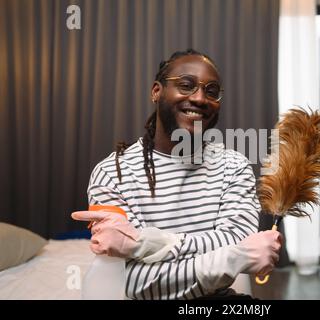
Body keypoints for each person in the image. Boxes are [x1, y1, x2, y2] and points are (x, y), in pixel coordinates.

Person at [71, 49, 282, 300]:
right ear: (156, 91)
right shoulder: (111, 174)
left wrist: (143, 243)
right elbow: (134, 282)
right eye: (186, 85)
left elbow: (239, 243)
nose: (200, 98)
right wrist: (232, 258)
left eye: (211, 91)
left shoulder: (234, 167)